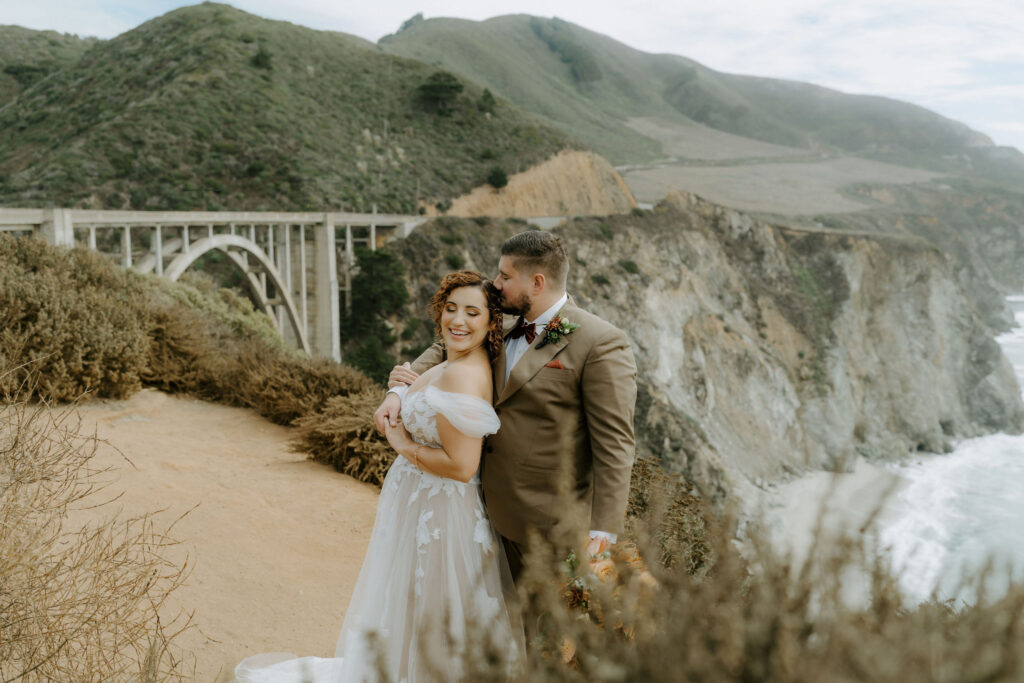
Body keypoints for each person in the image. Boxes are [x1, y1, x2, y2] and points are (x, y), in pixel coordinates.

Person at [233, 271, 523, 683]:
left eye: (472, 312)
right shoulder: (454, 359)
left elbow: (461, 466)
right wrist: (399, 393)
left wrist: (402, 445)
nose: (457, 320)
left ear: (492, 322)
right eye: (450, 309)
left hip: (440, 516)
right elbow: (427, 376)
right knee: (416, 609)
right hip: (423, 506)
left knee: (434, 609)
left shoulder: (463, 373)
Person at [375, 230, 638, 580]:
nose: (495, 284)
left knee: (541, 632)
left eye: (505, 276)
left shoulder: (599, 342)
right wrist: (398, 392)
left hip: (548, 528)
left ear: (537, 282)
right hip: (478, 514)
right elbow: (447, 345)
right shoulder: (507, 325)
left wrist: (602, 538)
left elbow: (615, 447)